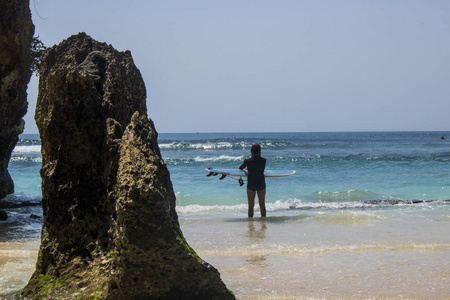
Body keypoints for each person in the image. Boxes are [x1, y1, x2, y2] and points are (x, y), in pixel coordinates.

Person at [239, 143, 266, 218]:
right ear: (259, 150)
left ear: (251, 151)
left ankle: (250, 223)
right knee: (262, 204)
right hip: (261, 183)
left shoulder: (247, 161)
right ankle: (263, 222)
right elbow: (259, 168)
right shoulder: (264, 160)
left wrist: (247, 169)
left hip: (251, 184)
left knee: (251, 205)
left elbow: (240, 168)